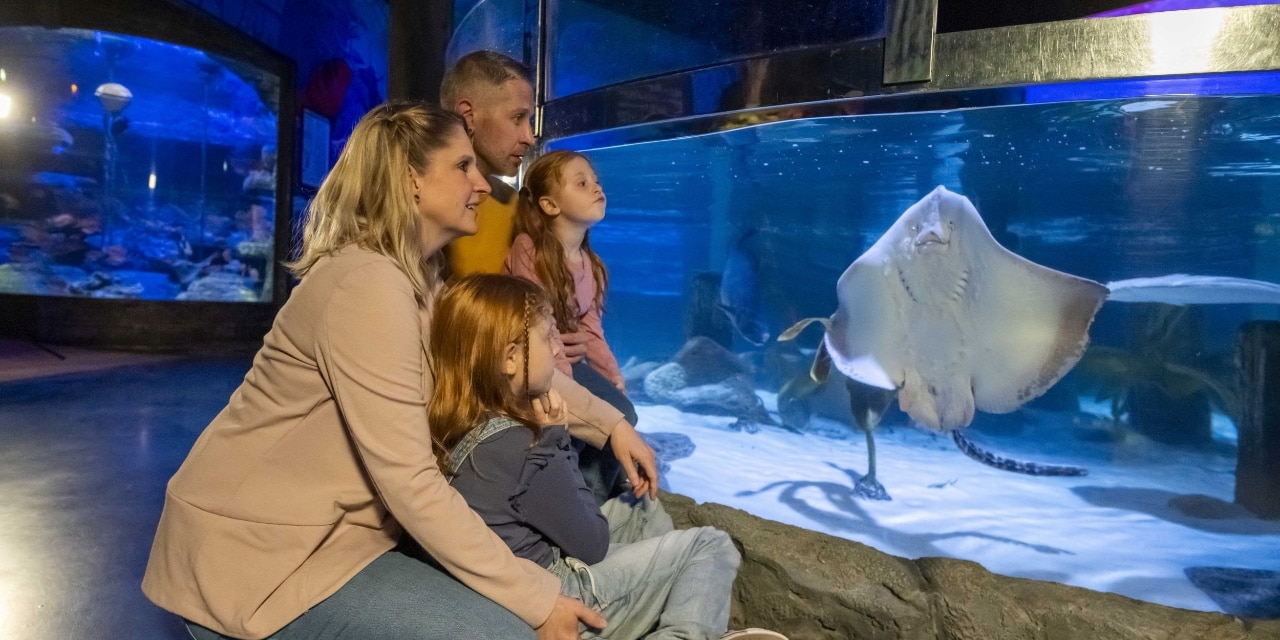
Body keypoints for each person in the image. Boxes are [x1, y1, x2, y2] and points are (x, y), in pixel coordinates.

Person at [140, 101, 658, 640]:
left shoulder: (420, 282)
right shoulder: (366, 284)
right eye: (462, 167)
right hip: (261, 556)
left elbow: (507, 365)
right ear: (411, 180)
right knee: (501, 630)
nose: (482, 183)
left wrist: (612, 426)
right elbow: (410, 482)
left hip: (344, 537)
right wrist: (537, 600)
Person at [428, 273, 787, 640]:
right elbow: (593, 545)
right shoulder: (525, 443)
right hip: (558, 595)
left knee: (643, 509)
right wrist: (557, 439)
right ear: (509, 359)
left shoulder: (463, 421)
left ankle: (680, 616)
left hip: (524, 574)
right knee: (711, 544)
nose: (557, 349)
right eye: (546, 335)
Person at [443, 51, 633, 503]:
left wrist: (574, 343)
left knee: (618, 412)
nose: (530, 136)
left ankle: (586, 510)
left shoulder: (512, 207)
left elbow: (551, 293)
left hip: (528, 366)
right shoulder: (433, 203)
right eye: (518, 118)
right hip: (473, 377)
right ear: (468, 115)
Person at [504, 149, 638, 502]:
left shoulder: (590, 264)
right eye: (582, 183)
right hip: (532, 362)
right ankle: (564, 501)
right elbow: (538, 329)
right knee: (583, 425)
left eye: (596, 181)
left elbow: (590, 328)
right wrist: (560, 389)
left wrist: (611, 375)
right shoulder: (529, 250)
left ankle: (593, 499)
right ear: (549, 205)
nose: (597, 188)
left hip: (564, 363)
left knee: (624, 410)